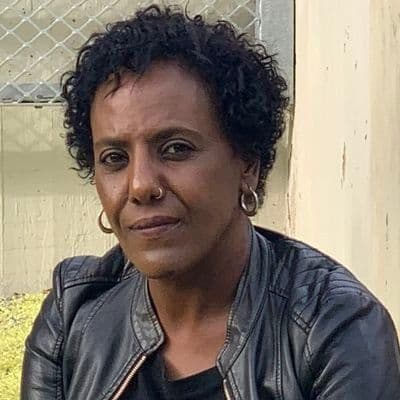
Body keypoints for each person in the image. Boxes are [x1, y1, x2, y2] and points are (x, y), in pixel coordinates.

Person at [21, 5, 400, 400]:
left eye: (175, 149)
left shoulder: (334, 330)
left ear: (247, 164)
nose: (140, 185)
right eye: (115, 158)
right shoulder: (74, 315)